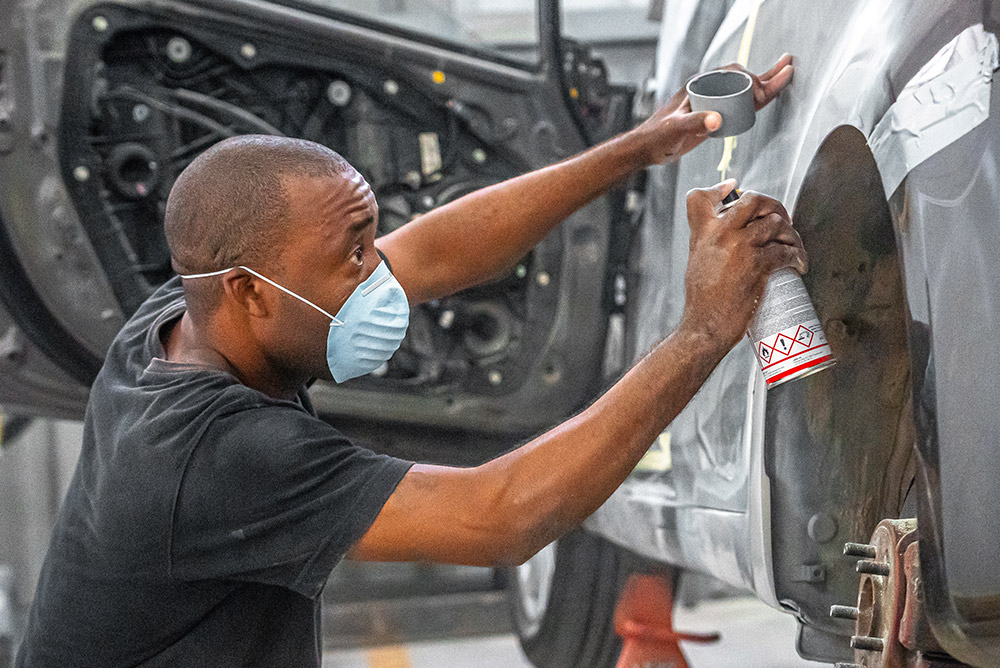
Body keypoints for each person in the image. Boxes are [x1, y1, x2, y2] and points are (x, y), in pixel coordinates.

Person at [17, 57, 803, 666]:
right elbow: (502, 516)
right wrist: (703, 329)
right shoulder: (212, 456)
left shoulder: (180, 314)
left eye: (369, 238)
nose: (377, 272)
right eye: (350, 255)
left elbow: (429, 251)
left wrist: (636, 148)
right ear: (248, 293)